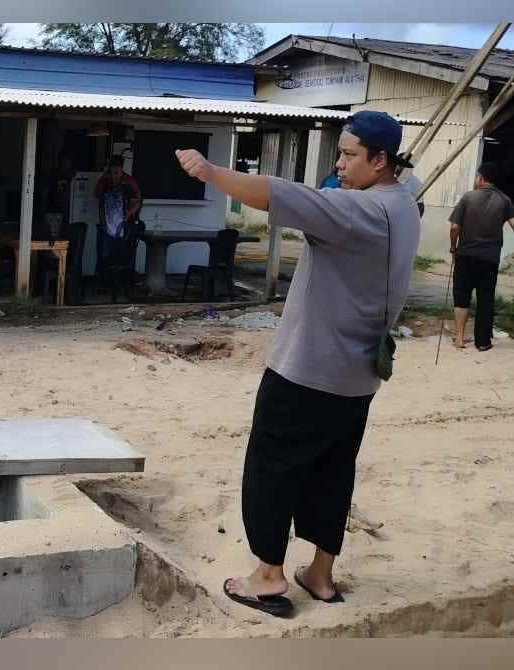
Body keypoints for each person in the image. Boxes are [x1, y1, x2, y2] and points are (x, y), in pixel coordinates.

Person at [176, 110, 420, 618]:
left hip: (308, 370)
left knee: (271, 467)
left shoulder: (356, 211)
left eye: (349, 155)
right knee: (332, 472)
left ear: (380, 160)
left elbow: (277, 193)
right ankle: (321, 575)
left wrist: (212, 171)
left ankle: (267, 576)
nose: (339, 164)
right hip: (358, 378)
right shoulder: (404, 205)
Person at [450, 162, 514, 352]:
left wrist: (453, 248)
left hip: (465, 255)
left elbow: (454, 227)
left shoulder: (468, 197)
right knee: (486, 298)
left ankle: (459, 339)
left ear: (481, 178)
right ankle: (483, 342)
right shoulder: (504, 200)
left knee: (462, 296)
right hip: (490, 258)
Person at [94, 155, 142, 296]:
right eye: (112, 171)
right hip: (106, 226)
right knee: (103, 255)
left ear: (121, 169)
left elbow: (137, 201)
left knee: (123, 256)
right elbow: (99, 201)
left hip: (124, 226)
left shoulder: (128, 182)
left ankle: (122, 286)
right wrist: (103, 224)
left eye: (117, 171)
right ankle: (103, 284)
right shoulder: (105, 181)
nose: (114, 174)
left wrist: (127, 214)